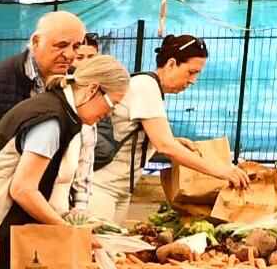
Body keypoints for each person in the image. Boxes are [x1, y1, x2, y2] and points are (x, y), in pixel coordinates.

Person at [0, 55, 131, 269]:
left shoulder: (61, 112)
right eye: (112, 104)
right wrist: (70, 233)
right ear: (92, 89)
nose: (109, 113)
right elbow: (23, 189)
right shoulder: (51, 119)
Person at [88, 34, 250, 223]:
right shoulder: (146, 86)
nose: (193, 80)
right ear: (171, 64)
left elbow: (144, 136)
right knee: (96, 248)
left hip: (120, 189)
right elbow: (165, 145)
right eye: (191, 72)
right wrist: (223, 171)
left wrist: (175, 142)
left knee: (110, 248)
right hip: (102, 188)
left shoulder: (150, 87)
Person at [0, 11, 86, 147]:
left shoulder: (77, 82)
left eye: (76, 47)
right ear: (36, 42)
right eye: (61, 45)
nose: (70, 54)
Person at [51, 33, 104, 215]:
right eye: (80, 57)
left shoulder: (92, 107)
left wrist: (80, 207)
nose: (86, 63)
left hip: (63, 204)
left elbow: (86, 158)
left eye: (92, 57)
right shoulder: (54, 100)